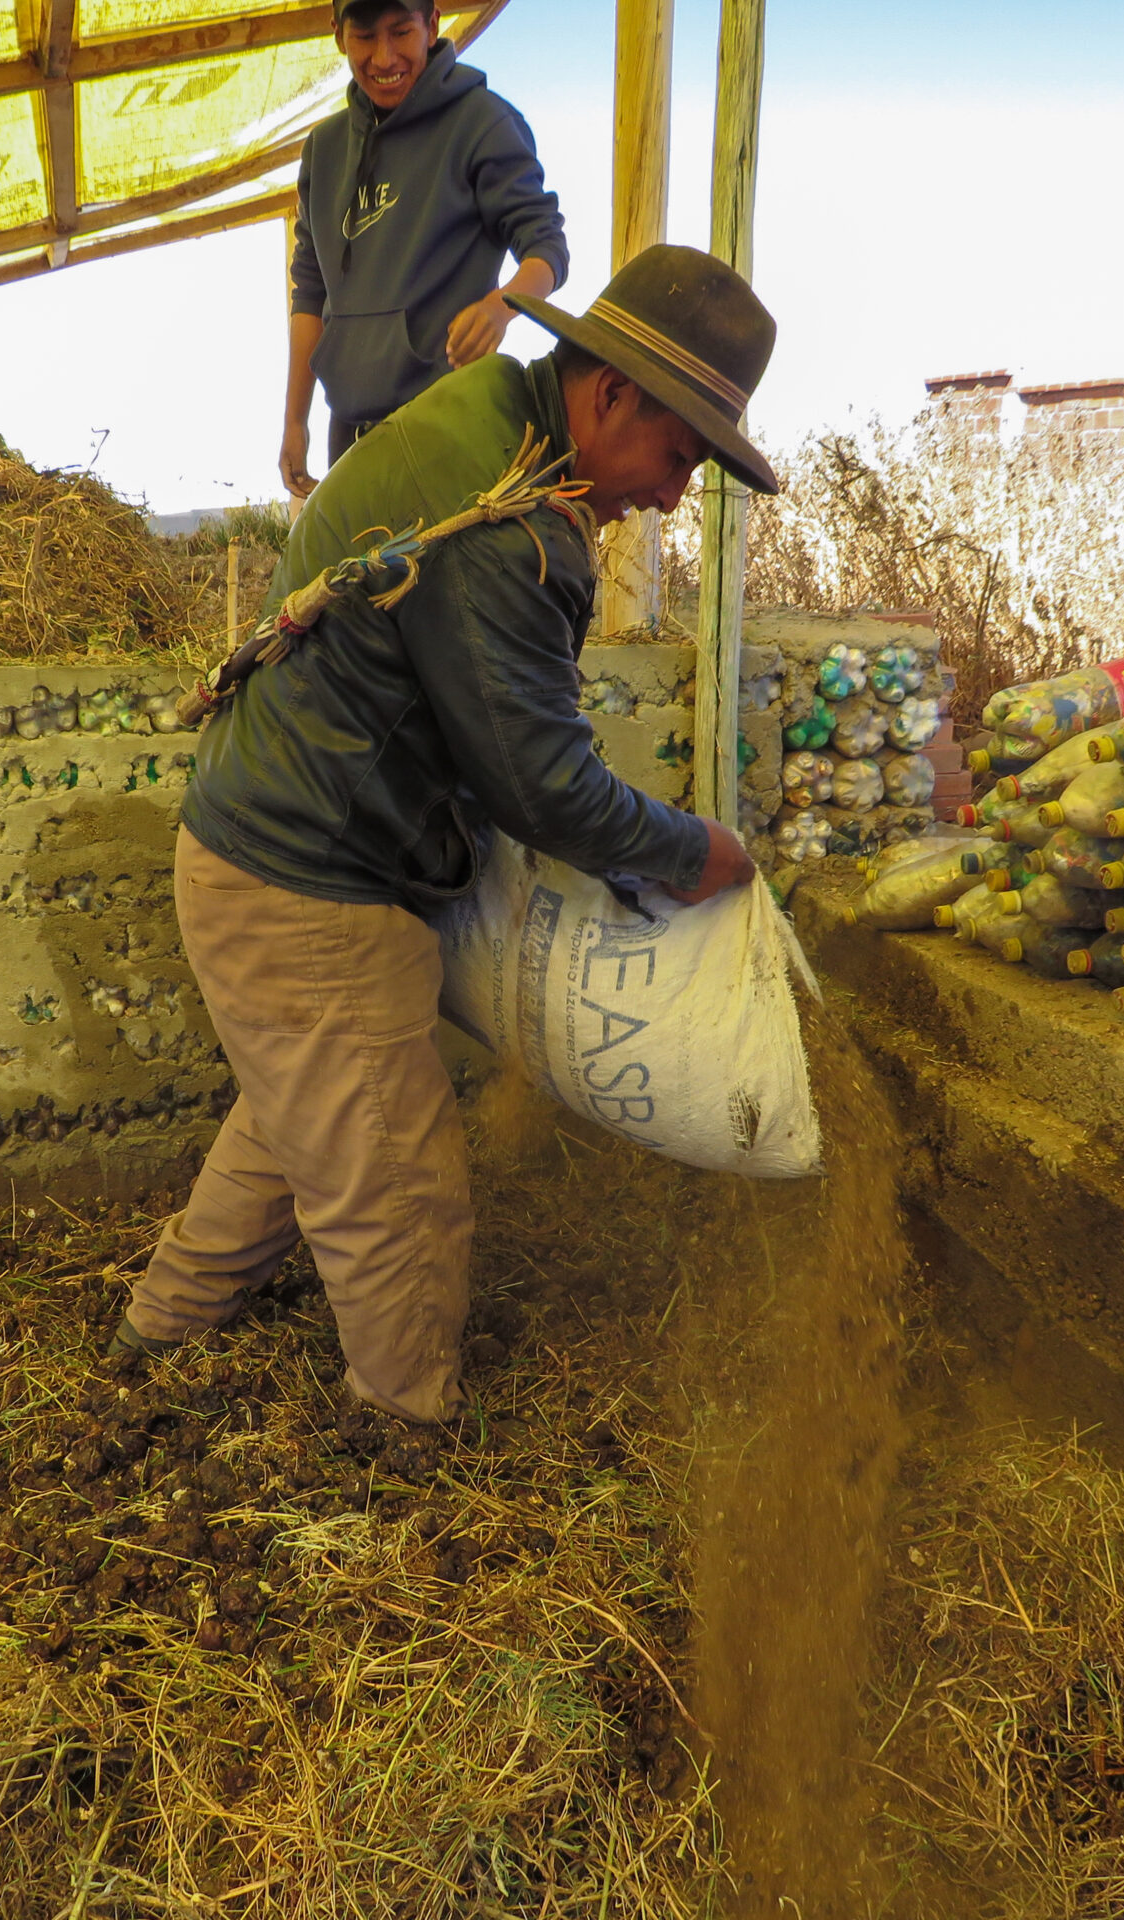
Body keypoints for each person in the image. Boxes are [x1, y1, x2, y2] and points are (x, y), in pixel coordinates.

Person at [127, 244, 776, 1422]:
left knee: (306, 1113)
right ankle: (405, 1432)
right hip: (306, 885)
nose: (674, 495)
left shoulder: (494, 414)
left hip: (257, 847)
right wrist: (693, 851)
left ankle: (162, 1330)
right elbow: (539, 783)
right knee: (395, 1185)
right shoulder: (503, 529)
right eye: (678, 456)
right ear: (613, 393)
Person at [279, 0, 569, 498]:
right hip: (348, 437)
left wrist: (499, 308)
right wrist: (295, 422)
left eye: (401, 32)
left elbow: (547, 247)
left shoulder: (482, 122)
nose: (384, 57)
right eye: (365, 38)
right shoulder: (323, 150)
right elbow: (309, 292)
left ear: (432, 25)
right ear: (338, 35)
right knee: (356, 576)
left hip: (448, 431)